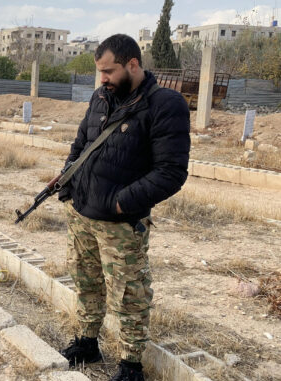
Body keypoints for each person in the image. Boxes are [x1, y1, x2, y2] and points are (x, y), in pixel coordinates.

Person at [57, 34, 190, 381]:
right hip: (82, 214)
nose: (103, 79)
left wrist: (120, 203)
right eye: (100, 72)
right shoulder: (101, 96)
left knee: (129, 293)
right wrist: (68, 183)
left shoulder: (165, 104)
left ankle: (131, 363)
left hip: (120, 223)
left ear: (132, 65)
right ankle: (87, 342)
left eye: (109, 71)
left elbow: (171, 173)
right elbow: (80, 144)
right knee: (86, 282)